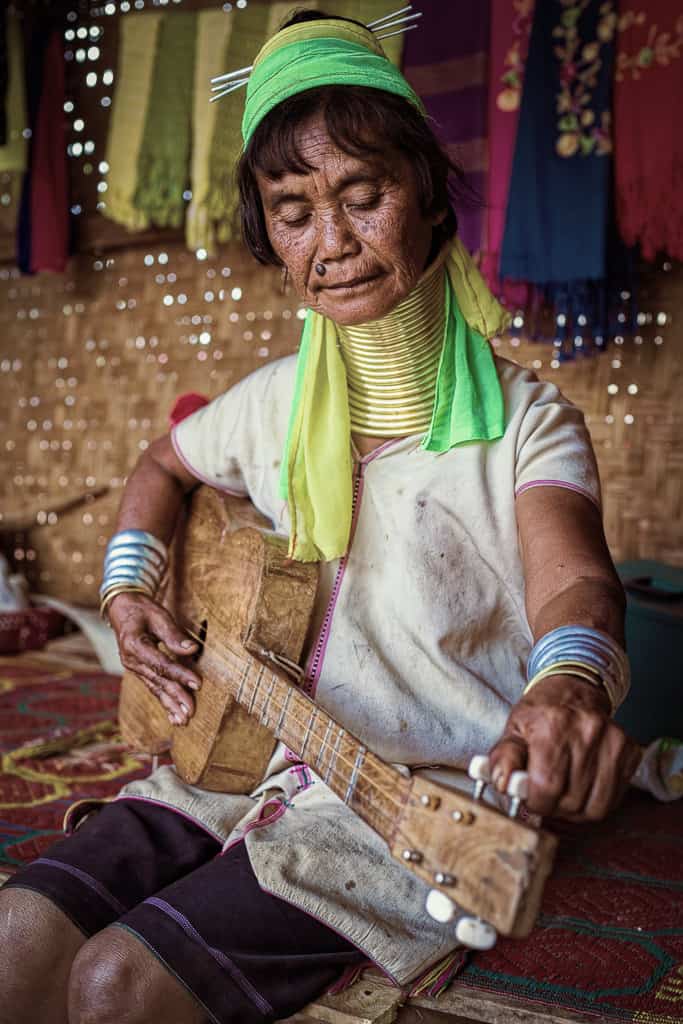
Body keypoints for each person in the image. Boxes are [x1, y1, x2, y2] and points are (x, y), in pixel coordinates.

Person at [0, 9, 641, 1024]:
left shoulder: (526, 423)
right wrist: (127, 590)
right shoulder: (269, 404)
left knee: (112, 986)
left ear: (427, 198)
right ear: (269, 234)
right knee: (15, 942)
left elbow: (573, 579)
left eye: (363, 194)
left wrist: (566, 681)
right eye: (293, 209)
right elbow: (161, 463)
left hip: (408, 802)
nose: (332, 243)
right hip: (239, 754)